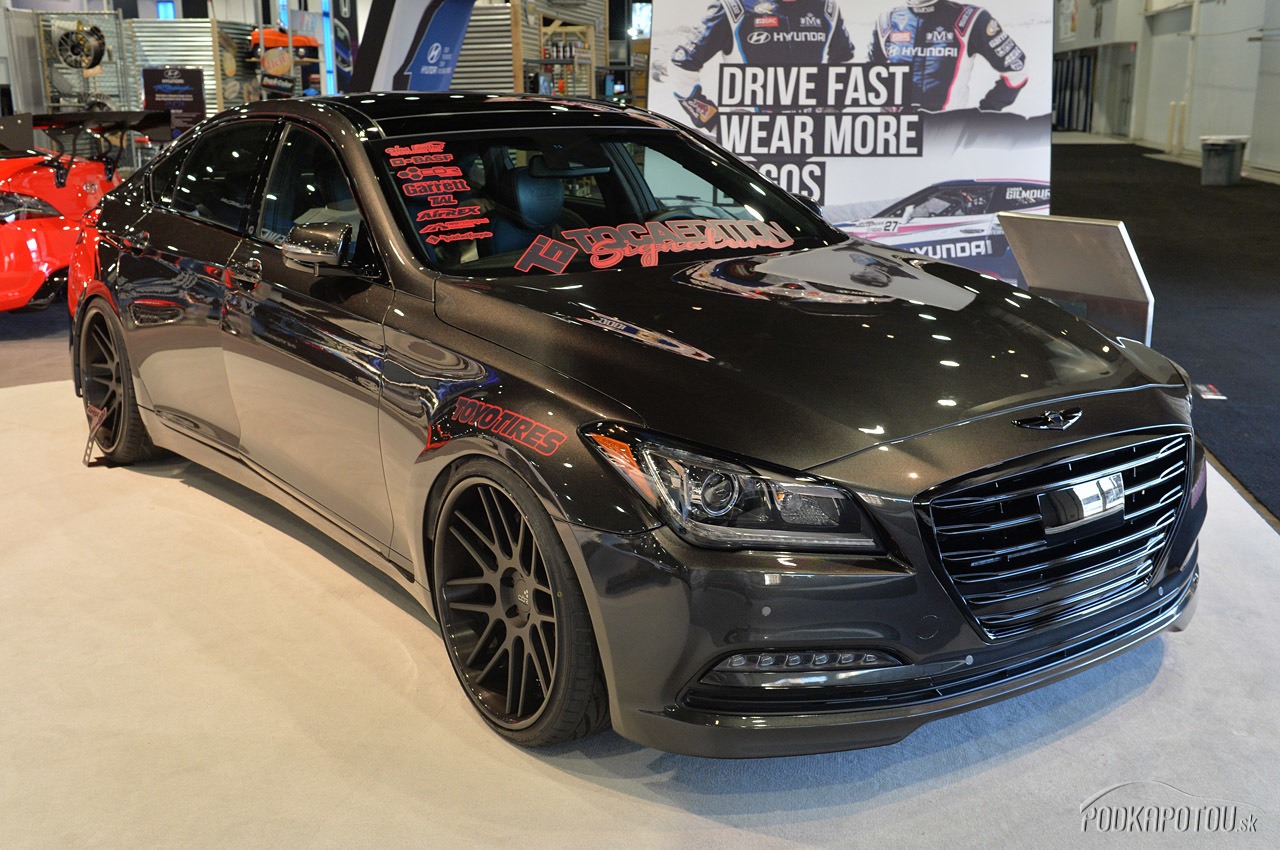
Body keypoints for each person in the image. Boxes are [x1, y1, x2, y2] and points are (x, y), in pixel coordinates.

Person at [669, 0, 858, 129]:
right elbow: (681, 64)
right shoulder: (734, 7)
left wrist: (833, 110)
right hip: (750, 144)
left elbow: (844, 61)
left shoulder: (826, 8)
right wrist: (713, 121)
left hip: (809, 138)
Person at [869, 0, 1028, 112]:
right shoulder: (886, 21)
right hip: (899, 136)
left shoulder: (970, 19)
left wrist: (985, 112)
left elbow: (1017, 71)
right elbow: (870, 78)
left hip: (949, 135)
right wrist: (886, 117)